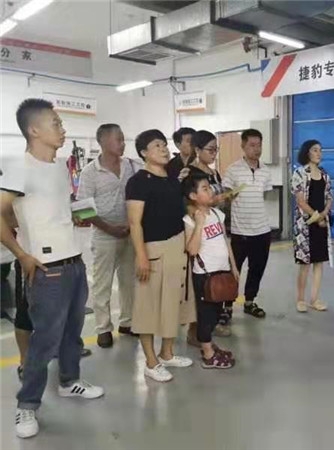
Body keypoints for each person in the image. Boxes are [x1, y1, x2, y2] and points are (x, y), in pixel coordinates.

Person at [0, 98, 103, 439]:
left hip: (74, 261)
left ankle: (69, 381)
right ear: (34, 130)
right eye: (56, 123)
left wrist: (76, 215)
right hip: (47, 269)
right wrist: (22, 254)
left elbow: (52, 208)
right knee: (43, 341)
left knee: (73, 331)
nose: (63, 129)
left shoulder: (59, 167)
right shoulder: (19, 166)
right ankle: (27, 405)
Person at [126, 129, 194, 383]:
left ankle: (167, 353)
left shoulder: (172, 179)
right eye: (157, 145)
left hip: (177, 246)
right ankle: (150, 362)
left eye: (164, 145)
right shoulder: (138, 182)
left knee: (173, 303)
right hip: (153, 249)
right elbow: (134, 223)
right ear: (144, 152)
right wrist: (142, 256)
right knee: (148, 307)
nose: (164, 149)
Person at [77, 124, 141, 348]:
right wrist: (109, 228)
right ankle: (103, 328)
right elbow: (82, 209)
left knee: (129, 281)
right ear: (103, 142)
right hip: (104, 235)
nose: (123, 143)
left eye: (123, 139)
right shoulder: (90, 172)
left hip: (130, 233)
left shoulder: (131, 166)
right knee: (102, 284)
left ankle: (128, 321)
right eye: (118, 139)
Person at [183, 130, 235, 340]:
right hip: (200, 230)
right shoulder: (190, 173)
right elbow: (189, 204)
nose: (214, 153)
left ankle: (211, 325)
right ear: (197, 150)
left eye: (216, 149)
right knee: (201, 290)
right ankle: (197, 332)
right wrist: (212, 202)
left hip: (216, 224)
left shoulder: (213, 172)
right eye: (210, 149)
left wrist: (225, 198)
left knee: (217, 284)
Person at [182, 173, 237, 368]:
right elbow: (192, 250)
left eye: (209, 187)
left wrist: (233, 266)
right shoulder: (190, 220)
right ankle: (207, 354)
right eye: (204, 188)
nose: (210, 191)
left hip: (222, 271)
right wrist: (199, 224)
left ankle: (209, 346)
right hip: (205, 276)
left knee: (216, 313)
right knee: (206, 315)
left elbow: (225, 241)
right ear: (193, 196)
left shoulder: (217, 214)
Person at [222, 129, 273, 321]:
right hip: (240, 231)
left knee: (257, 268)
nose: (256, 149)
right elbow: (226, 197)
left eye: (259, 145)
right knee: (233, 269)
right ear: (243, 146)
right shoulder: (233, 169)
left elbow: (263, 195)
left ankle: (250, 301)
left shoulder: (265, 170)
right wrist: (231, 196)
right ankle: (227, 305)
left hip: (262, 230)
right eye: (252, 145)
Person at [291, 140, 333, 313]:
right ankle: (300, 299)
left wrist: (324, 214)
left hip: (321, 224)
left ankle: (314, 299)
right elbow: (301, 201)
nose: (319, 153)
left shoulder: (324, 174)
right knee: (305, 265)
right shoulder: (299, 173)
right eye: (315, 150)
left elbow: (329, 197)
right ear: (307, 152)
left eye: (320, 150)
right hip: (305, 225)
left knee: (319, 263)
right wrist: (316, 217)